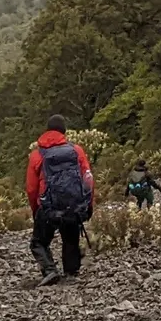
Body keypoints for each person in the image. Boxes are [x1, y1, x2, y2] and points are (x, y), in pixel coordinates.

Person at [25, 115, 94, 285]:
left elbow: (31, 188)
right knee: (70, 238)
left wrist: (36, 209)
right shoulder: (76, 150)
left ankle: (50, 270)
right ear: (64, 132)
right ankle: (71, 272)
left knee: (38, 242)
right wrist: (88, 204)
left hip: (47, 208)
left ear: (47, 131)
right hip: (73, 206)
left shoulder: (37, 155)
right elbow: (88, 178)